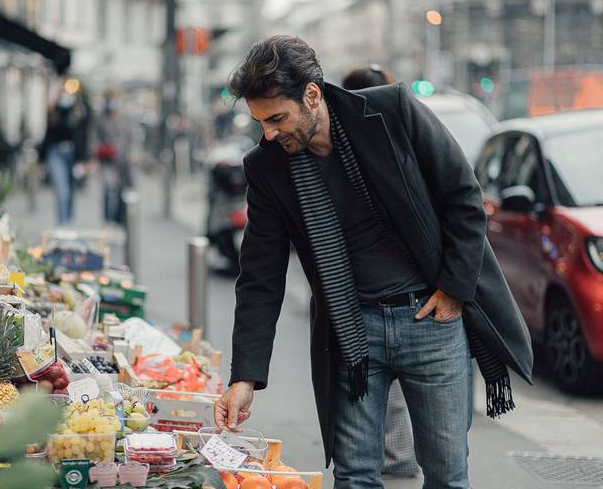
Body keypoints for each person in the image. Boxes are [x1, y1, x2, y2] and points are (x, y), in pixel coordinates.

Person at [214, 35, 533, 488]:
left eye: (277, 118)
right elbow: (260, 275)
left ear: (311, 95)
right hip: (351, 333)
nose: (269, 132)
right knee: (355, 477)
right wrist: (245, 376)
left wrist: (454, 290)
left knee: (446, 475)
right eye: (260, 122)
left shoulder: (392, 111)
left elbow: (462, 195)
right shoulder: (266, 166)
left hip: (430, 320)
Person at [342, 65, 419, 479]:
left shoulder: (397, 140)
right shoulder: (396, 141)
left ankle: (399, 455)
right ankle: (400, 456)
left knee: (383, 394)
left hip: (379, 300)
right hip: (403, 298)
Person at [40, 77, 91, 225]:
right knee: (62, 190)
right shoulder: (55, 109)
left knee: (70, 190)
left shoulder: (80, 110)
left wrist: (84, 160)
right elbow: (48, 134)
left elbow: (84, 135)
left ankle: (68, 219)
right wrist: (41, 159)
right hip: (55, 152)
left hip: (73, 154)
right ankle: (62, 223)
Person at [96, 92, 137, 225]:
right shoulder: (101, 118)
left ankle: (120, 219)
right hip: (108, 160)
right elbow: (95, 138)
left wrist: (132, 153)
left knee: (122, 191)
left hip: (124, 161)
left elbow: (133, 137)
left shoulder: (127, 118)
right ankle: (108, 219)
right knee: (109, 189)